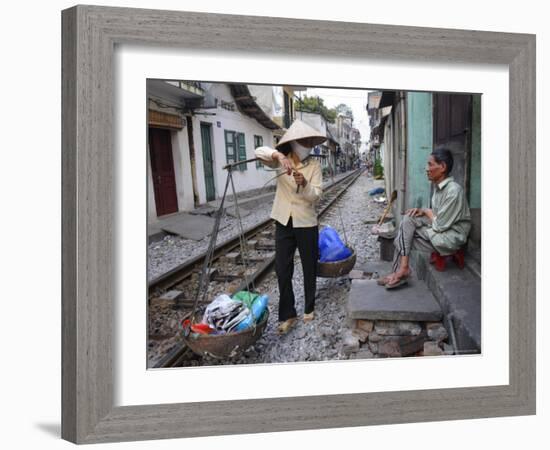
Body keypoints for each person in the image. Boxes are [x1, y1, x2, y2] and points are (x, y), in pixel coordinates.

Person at [254, 120, 325, 334]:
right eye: (303, 141)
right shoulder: (280, 161)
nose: (307, 146)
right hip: (284, 220)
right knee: (282, 269)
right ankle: (288, 313)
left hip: (306, 221)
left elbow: (317, 196)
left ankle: (309, 306)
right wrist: (278, 155)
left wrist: (304, 183)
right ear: (294, 143)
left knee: (308, 266)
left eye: (309, 142)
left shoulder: (314, 165)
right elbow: (259, 151)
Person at [377, 148, 471, 289]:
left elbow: (439, 225)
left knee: (403, 237)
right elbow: (439, 215)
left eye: (430, 164)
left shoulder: (454, 191)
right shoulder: (439, 188)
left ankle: (401, 271)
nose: (427, 169)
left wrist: (427, 211)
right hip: (442, 229)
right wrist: (422, 212)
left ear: (443, 167)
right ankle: (401, 270)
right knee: (408, 220)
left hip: (451, 236)